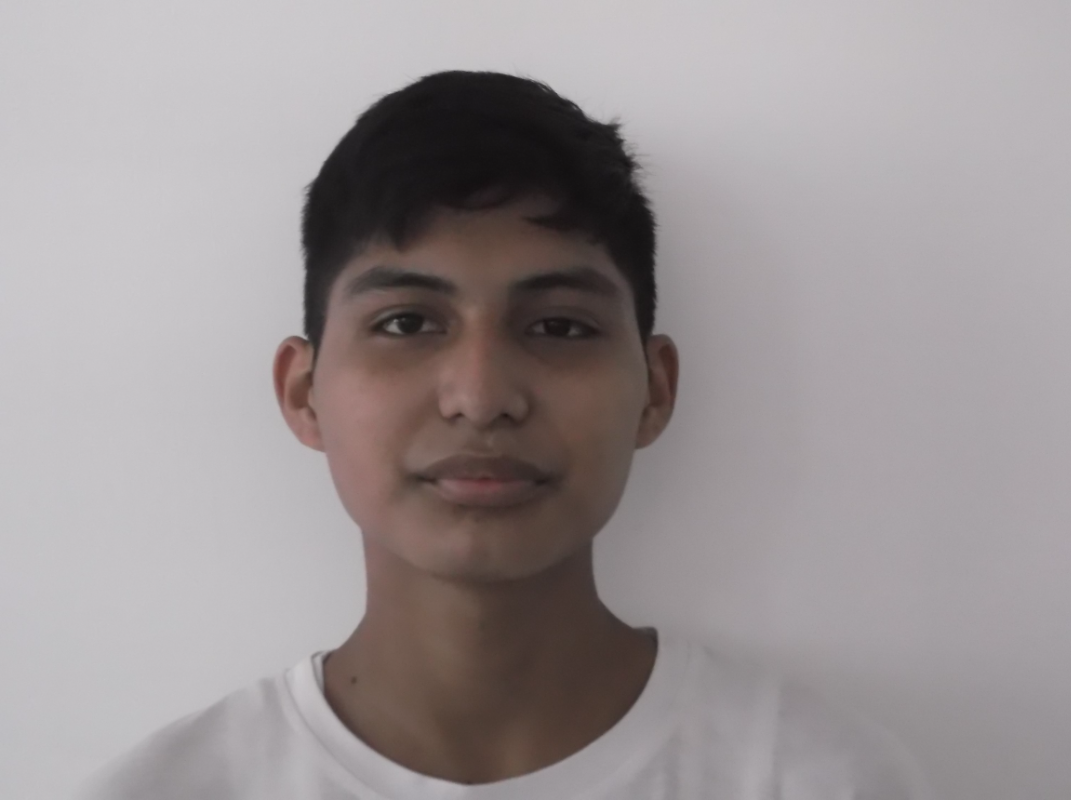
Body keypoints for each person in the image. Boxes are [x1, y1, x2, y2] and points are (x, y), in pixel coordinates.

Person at [74, 70, 935, 799]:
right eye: (408, 323)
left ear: (654, 391)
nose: (482, 398)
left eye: (558, 327)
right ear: (304, 393)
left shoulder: (819, 779)